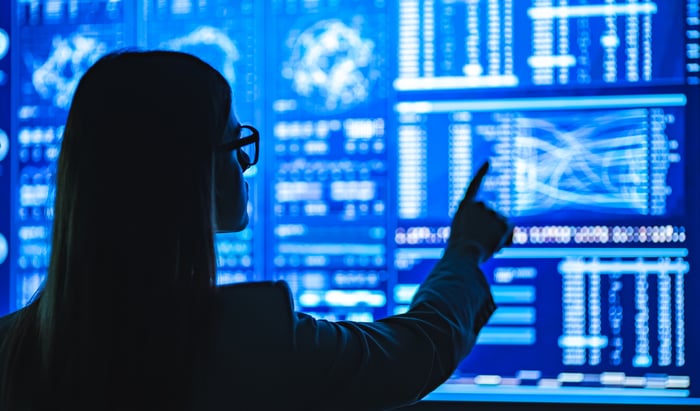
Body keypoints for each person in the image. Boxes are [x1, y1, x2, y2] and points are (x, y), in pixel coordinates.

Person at [0, 50, 512, 411]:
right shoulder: (247, 341)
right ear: (186, 173)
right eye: (233, 143)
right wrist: (465, 250)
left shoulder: (10, 349)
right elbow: (417, 352)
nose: (246, 162)